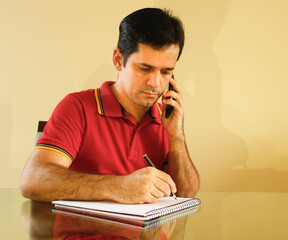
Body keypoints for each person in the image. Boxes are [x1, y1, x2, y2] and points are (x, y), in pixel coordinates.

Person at [20, 8, 200, 204]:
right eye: (144, 68)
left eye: (165, 72)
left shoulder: (165, 120)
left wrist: (176, 136)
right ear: (118, 60)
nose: (155, 83)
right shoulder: (77, 107)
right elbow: (33, 180)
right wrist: (119, 186)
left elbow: (186, 195)